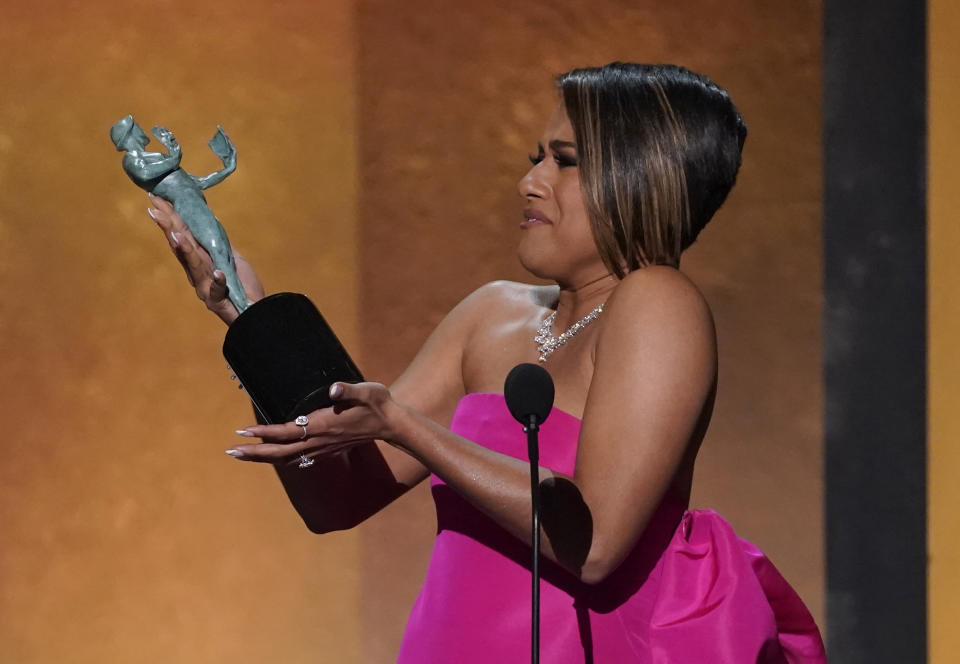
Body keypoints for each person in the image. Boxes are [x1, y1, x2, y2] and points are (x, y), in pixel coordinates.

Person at [147, 62, 826, 662]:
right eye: (538, 156)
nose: (530, 180)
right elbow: (337, 498)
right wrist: (249, 320)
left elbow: (591, 545)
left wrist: (405, 425)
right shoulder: (491, 314)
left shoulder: (656, 303)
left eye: (563, 161)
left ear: (639, 175)